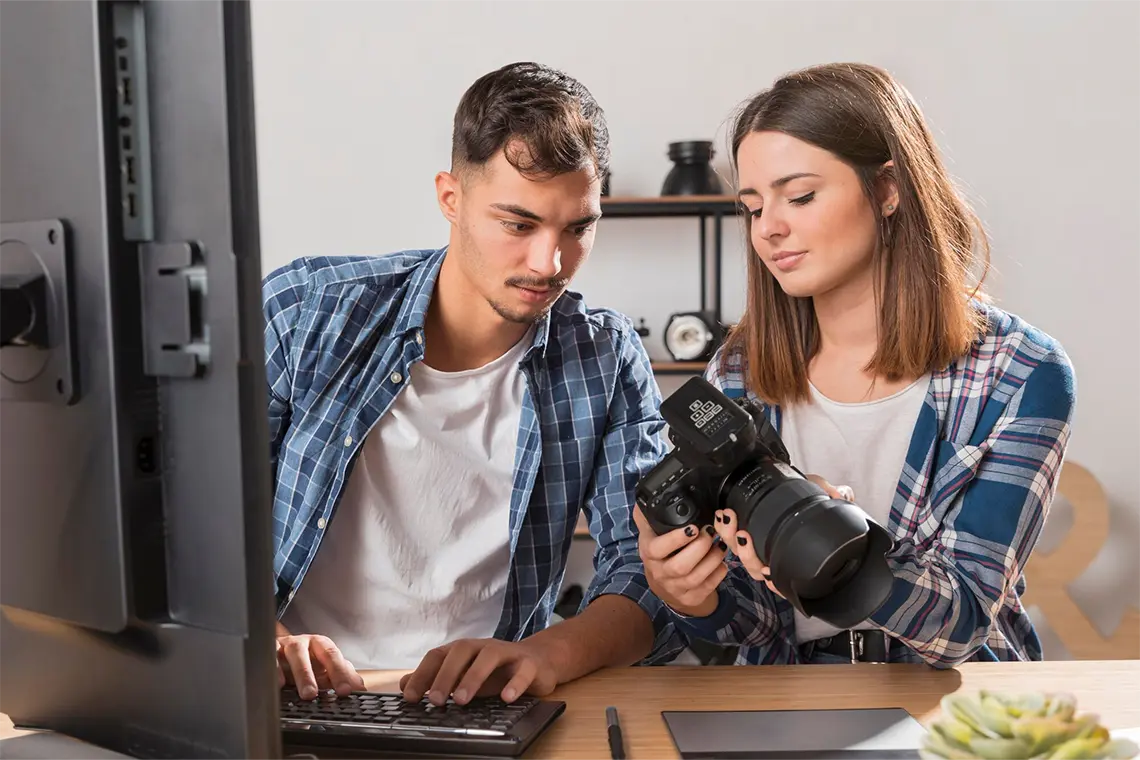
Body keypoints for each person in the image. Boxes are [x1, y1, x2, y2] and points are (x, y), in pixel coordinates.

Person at [264, 61, 684, 705]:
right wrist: (256, 639)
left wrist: (543, 655)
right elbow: (191, 517)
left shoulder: (604, 356)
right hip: (295, 696)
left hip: (486, 705)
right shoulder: (307, 311)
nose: (549, 263)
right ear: (450, 198)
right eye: (518, 224)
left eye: (578, 227)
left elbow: (644, 567)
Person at [635, 62, 1076, 667]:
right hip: (786, 698)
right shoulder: (738, 375)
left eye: (800, 196)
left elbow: (964, 622)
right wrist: (691, 593)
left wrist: (838, 539)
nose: (769, 230)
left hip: (954, 701)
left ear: (888, 189)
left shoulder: (1019, 372)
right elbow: (751, 630)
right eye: (753, 207)